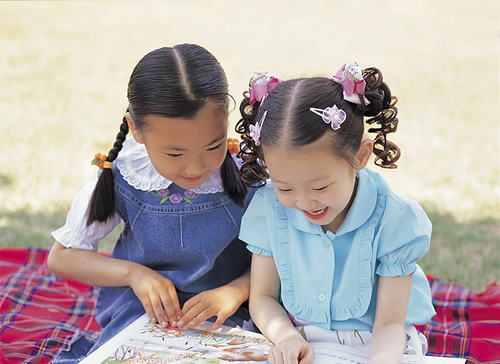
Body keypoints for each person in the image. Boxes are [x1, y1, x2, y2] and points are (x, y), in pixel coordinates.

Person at [47, 44, 252, 362]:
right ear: (136, 130)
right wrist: (134, 275)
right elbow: (62, 258)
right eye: (174, 154)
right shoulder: (126, 176)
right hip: (145, 314)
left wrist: (237, 290)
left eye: (213, 146)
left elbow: (282, 256)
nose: (195, 167)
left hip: (229, 311)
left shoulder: (249, 173)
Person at [236, 64, 436, 364]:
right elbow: (263, 297)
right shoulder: (269, 209)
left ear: (360, 156)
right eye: (285, 188)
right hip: (298, 337)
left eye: (320, 187)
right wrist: (287, 337)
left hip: (380, 344)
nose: (304, 203)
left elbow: (390, 323)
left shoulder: (395, 220)